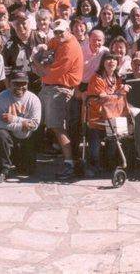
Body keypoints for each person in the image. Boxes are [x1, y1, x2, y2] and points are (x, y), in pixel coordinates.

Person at [38, 19, 84, 179]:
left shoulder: (70, 47)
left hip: (60, 90)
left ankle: (69, 164)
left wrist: (36, 62)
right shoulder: (57, 40)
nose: (58, 35)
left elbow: (48, 72)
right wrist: (43, 50)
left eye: (61, 32)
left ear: (68, 31)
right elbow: (48, 47)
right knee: (38, 122)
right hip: (49, 88)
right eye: (55, 32)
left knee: (57, 127)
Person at [0, 70, 41, 184]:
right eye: (16, 83)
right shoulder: (1, 98)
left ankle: (22, 160)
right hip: (9, 135)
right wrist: (22, 125)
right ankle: (3, 170)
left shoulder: (34, 99)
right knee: (0, 134)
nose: (20, 87)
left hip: (27, 137)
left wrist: (14, 119)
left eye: (23, 83)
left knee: (27, 170)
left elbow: (35, 125)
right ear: (9, 83)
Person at [85, 52, 131, 177]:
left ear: (117, 63)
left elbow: (121, 98)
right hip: (97, 117)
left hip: (114, 118)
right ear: (103, 62)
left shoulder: (118, 78)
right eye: (108, 59)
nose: (111, 62)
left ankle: (110, 165)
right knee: (94, 149)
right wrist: (119, 93)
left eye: (114, 59)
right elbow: (103, 98)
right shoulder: (97, 78)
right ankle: (93, 166)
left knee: (115, 144)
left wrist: (120, 93)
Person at [3, 13, 44, 94]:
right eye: (18, 24)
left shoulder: (41, 38)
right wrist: (9, 93)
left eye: (24, 23)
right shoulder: (9, 45)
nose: (21, 26)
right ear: (13, 26)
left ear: (29, 23)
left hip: (39, 84)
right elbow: (6, 73)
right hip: (19, 86)